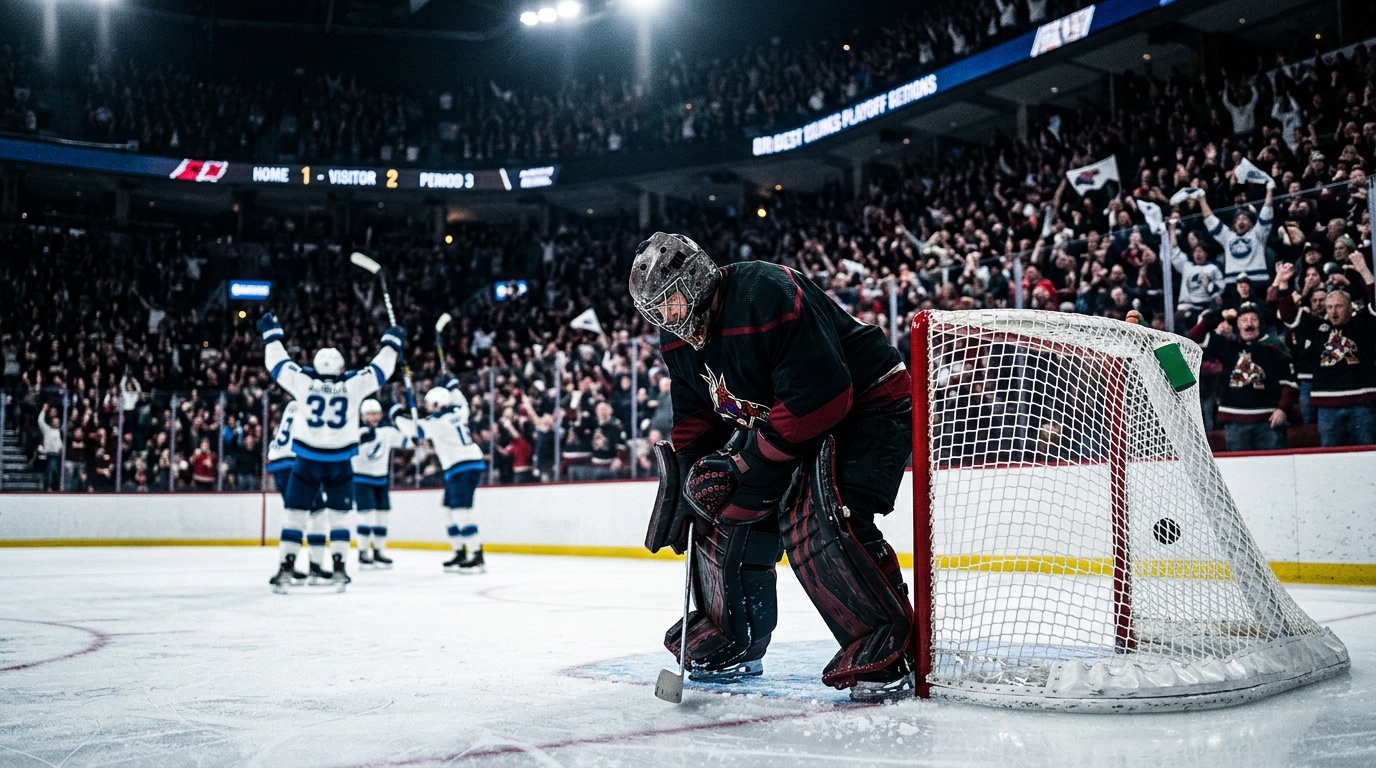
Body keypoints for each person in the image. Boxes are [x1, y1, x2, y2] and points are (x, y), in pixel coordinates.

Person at [630, 232, 915, 703]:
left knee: (825, 513)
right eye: (658, 310)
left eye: (673, 302)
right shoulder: (678, 341)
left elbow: (825, 396)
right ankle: (735, 638)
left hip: (868, 405)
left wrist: (746, 460)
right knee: (724, 515)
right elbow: (695, 418)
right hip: (788, 418)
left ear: (697, 279)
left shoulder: (765, 291)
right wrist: (688, 482)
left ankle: (889, 644)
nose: (669, 317)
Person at [258, 313, 404, 591]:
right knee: (339, 516)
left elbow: (276, 362)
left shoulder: (302, 381)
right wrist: (392, 342)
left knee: (295, 515)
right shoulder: (352, 384)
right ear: (340, 366)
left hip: (306, 461)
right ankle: (338, 567)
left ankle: (286, 567)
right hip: (339, 462)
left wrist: (272, 334)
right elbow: (380, 370)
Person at [1273, 257, 1376, 446]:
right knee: (1330, 458)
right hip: (1328, 406)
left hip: (1361, 404)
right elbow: (1288, 314)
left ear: (1350, 307)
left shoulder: (1363, 323)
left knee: (1368, 456)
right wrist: (1284, 283)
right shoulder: (1317, 327)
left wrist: (1364, 271)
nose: (1333, 311)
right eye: (1329, 307)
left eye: (1338, 306)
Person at [401, 379, 488, 571]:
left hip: (461, 467)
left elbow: (415, 429)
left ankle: (476, 554)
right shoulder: (459, 412)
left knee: (460, 512)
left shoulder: (439, 422)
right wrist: (453, 388)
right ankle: (460, 551)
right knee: (449, 511)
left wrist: (397, 415)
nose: (428, 409)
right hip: (462, 465)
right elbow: (463, 403)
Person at [1187, 305, 1297, 451]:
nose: (1249, 323)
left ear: (1260, 323)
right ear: (1237, 324)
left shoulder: (1274, 348)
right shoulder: (1227, 346)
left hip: (1269, 422)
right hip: (1235, 424)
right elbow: (1191, 340)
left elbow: (1289, 383)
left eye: (1253, 319)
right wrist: (1214, 318)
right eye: (1244, 320)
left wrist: (1283, 409)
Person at [263, 398, 328, 586]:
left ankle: (287, 565)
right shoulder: (318, 401)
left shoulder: (293, 403)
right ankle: (313, 566)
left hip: (279, 463)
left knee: (295, 514)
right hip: (297, 462)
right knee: (317, 513)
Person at [352, 398, 412, 568]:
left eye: (376, 413)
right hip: (361, 478)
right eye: (370, 414)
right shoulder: (355, 432)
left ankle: (379, 551)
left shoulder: (387, 431)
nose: (374, 417)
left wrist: (406, 423)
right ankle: (363, 552)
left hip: (381, 479)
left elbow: (408, 442)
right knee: (366, 517)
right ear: (363, 416)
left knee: (381, 517)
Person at [1200, 181, 1273, 287]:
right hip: (1233, 282)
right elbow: (1210, 219)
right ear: (1234, 224)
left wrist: (1269, 190)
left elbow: (1267, 212)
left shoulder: (1258, 233)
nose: (1241, 220)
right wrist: (1201, 198)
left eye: (1245, 218)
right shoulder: (1228, 236)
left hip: (1257, 281)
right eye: (1238, 219)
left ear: (1252, 224)